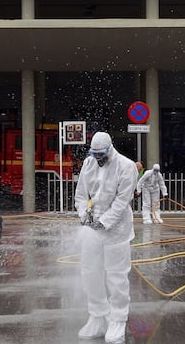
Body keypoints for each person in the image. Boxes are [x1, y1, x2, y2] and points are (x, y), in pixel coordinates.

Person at [74, 132, 137, 344]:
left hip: (117, 230)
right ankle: (98, 315)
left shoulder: (126, 166)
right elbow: (81, 195)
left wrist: (104, 222)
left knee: (116, 276)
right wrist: (84, 215)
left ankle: (118, 319)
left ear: (109, 149)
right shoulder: (89, 163)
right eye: (95, 154)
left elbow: (122, 202)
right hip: (93, 228)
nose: (98, 158)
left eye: (101, 154)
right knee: (90, 272)